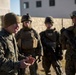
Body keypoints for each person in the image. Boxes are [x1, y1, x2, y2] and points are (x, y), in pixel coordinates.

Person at [60, 11, 76, 75]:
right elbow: (62, 42)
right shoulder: (69, 30)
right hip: (70, 57)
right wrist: (62, 35)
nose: (75, 19)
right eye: (74, 18)